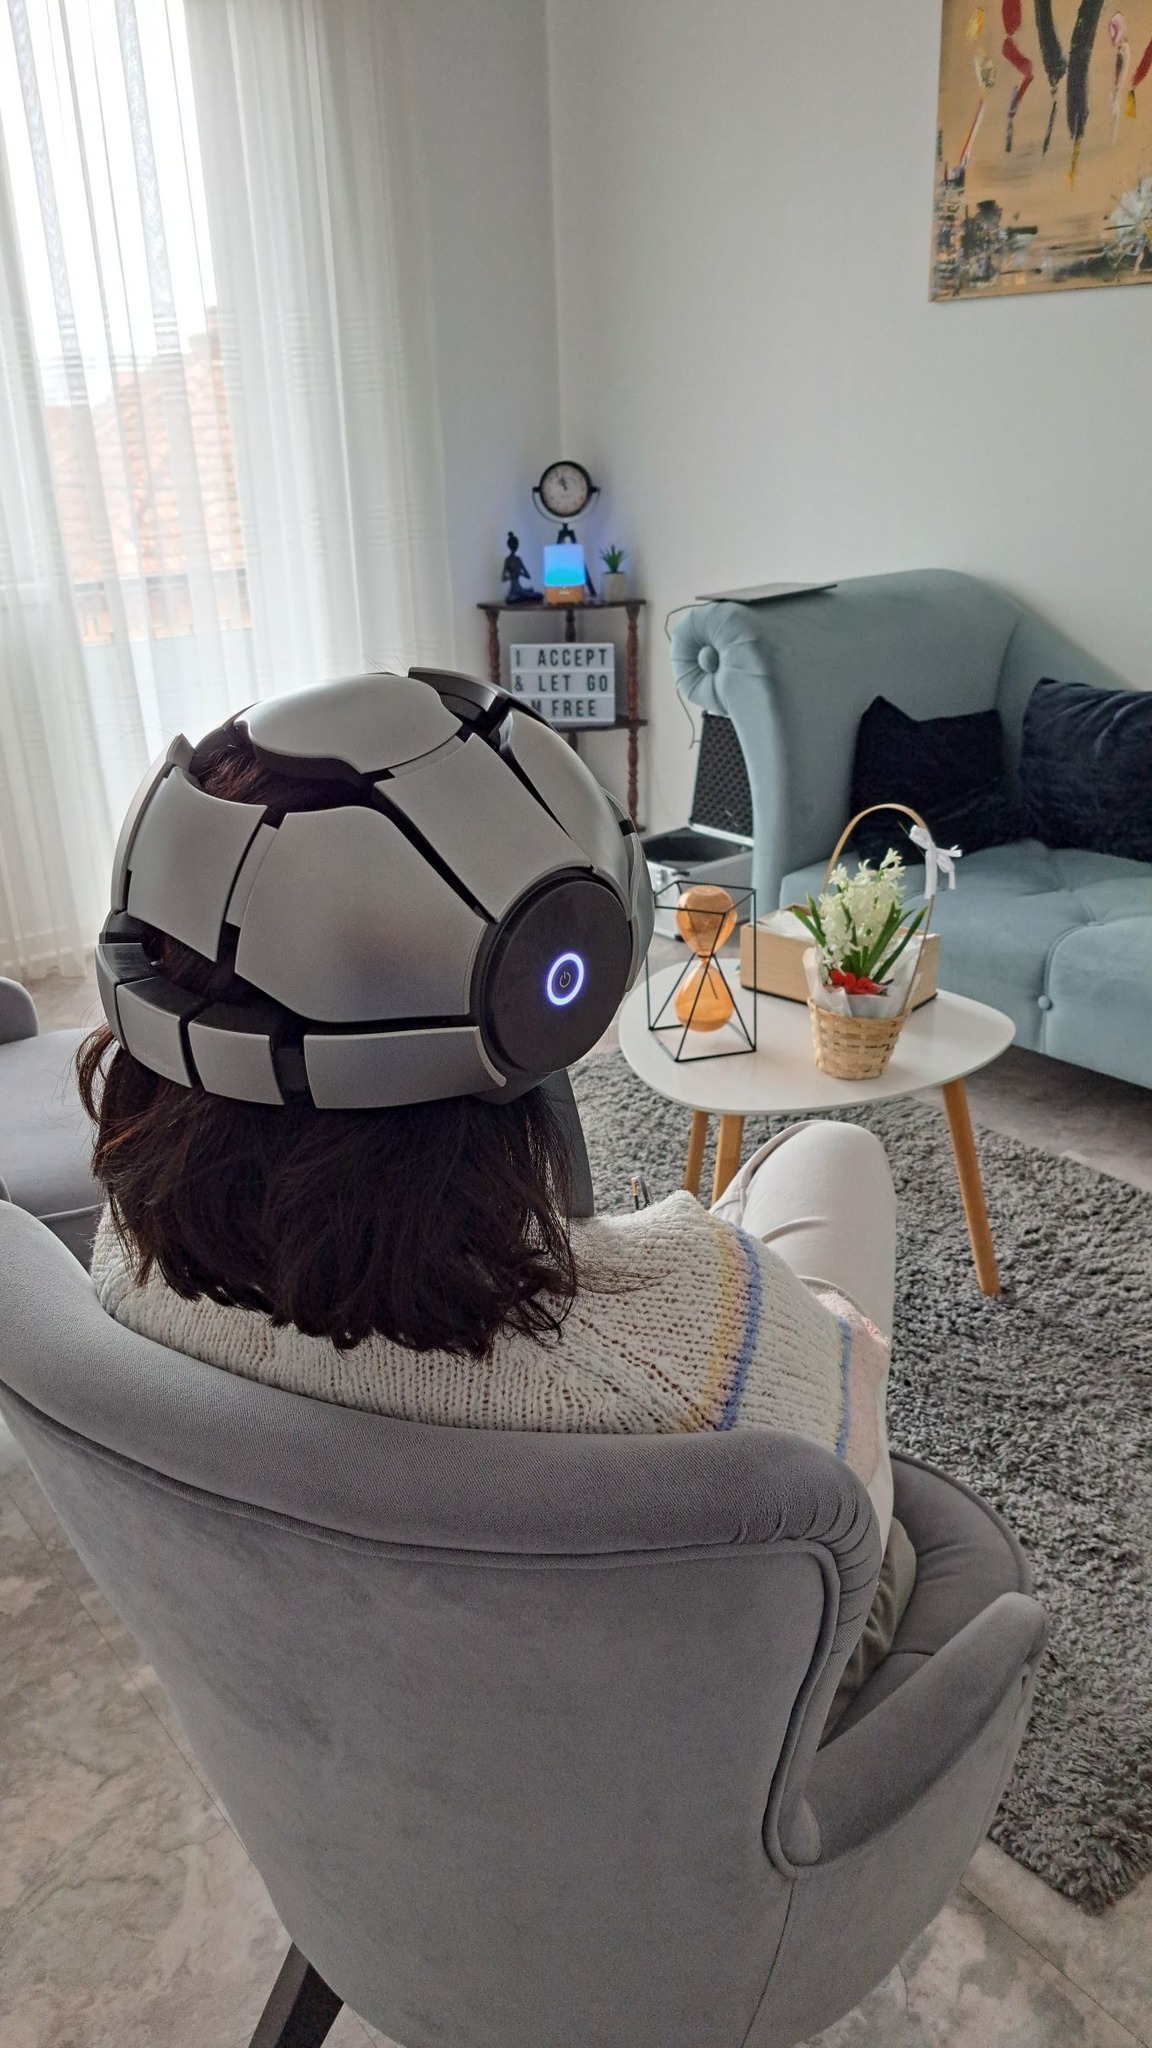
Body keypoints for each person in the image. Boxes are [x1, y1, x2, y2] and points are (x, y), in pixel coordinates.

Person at [81, 716, 913, 1731]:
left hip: (345, 1714)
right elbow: (843, 1451)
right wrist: (771, 1295)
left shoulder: (122, 1258)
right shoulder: (686, 1333)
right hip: (726, 1705)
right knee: (836, 1155)